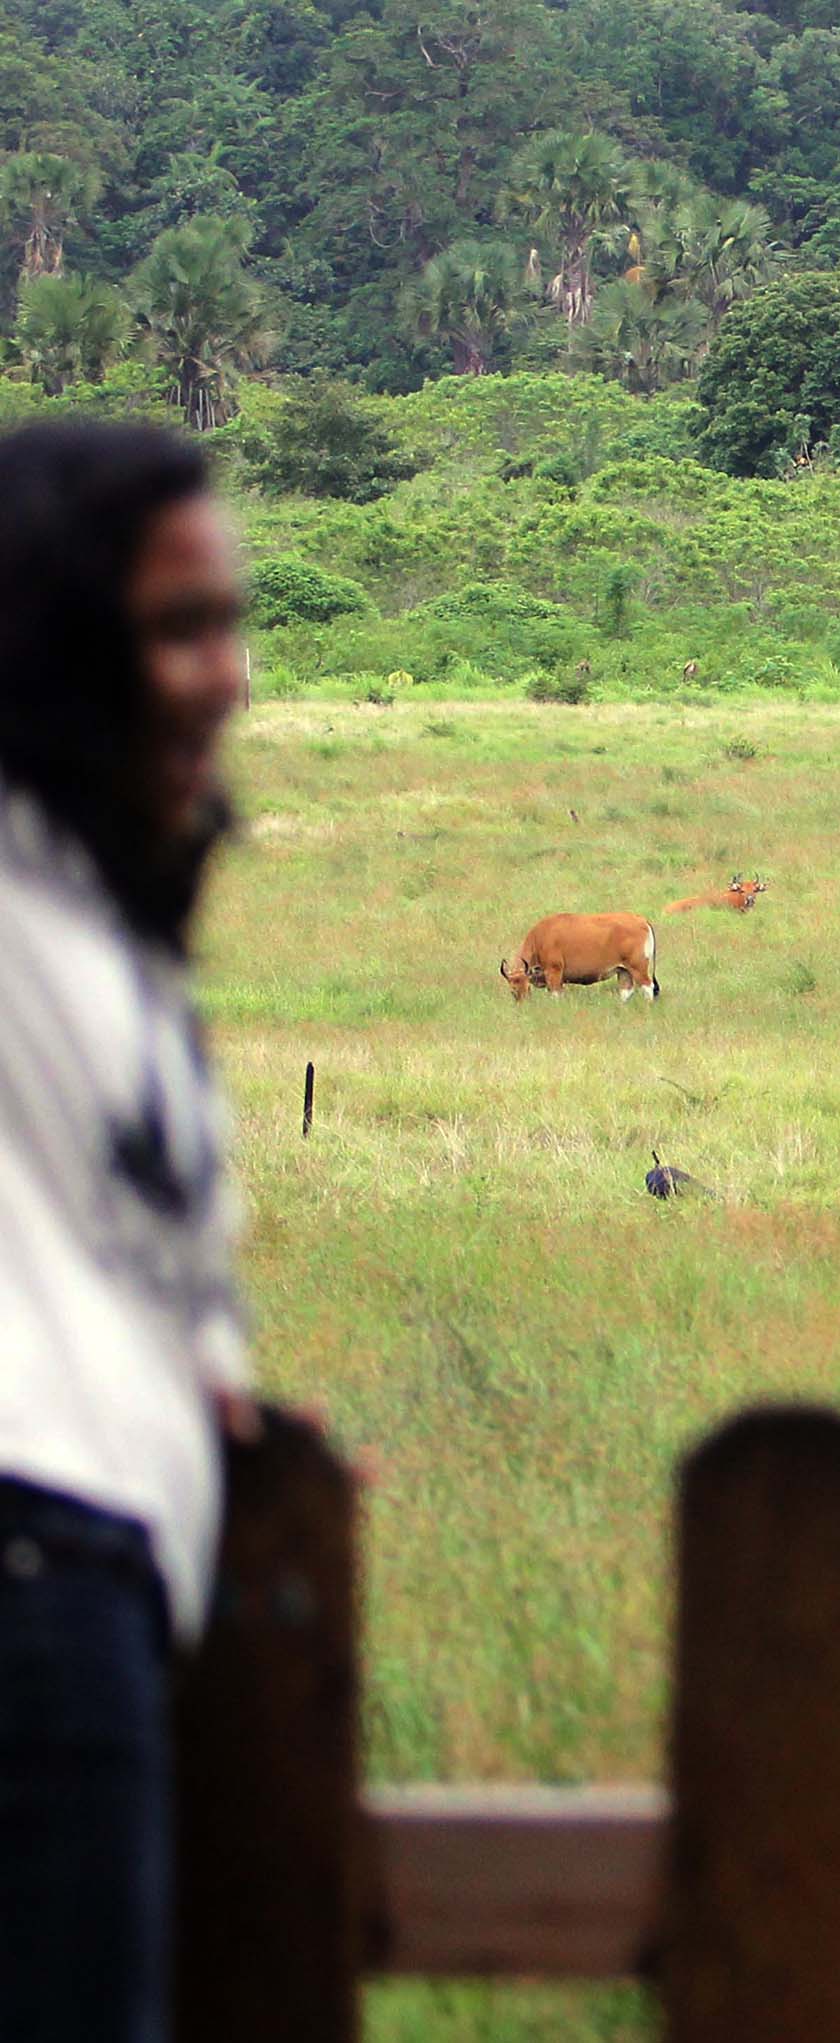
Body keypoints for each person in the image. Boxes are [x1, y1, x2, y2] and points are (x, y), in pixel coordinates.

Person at [0, 420, 254, 2042]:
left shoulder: (95, 926)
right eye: (176, 626)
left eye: (234, 626)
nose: (228, 677)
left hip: (97, 1588)